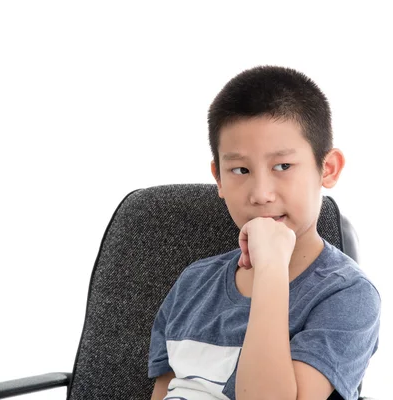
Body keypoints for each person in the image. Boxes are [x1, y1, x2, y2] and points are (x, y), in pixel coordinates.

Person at [148, 65, 380, 400]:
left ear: (326, 168)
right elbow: (164, 392)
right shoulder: (193, 283)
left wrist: (271, 268)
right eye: (240, 169)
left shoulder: (348, 296)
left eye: (282, 166)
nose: (260, 193)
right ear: (219, 179)